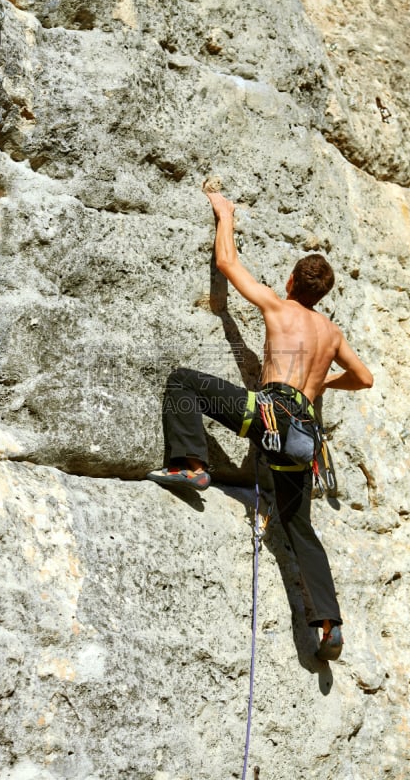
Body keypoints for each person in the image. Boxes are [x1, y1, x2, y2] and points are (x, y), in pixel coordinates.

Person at [147, 188, 373, 661]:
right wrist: (323, 384)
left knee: (183, 382)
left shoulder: (277, 306)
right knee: (299, 528)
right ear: (322, 293)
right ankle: (328, 626)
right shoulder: (331, 333)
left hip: (267, 414)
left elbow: (228, 265)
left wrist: (224, 214)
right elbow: (365, 377)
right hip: (303, 436)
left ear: (292, 282)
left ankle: (191, 466)